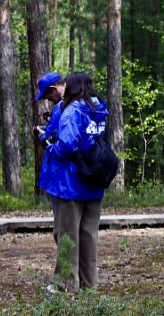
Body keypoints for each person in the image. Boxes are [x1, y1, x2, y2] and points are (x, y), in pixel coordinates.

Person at [42, 72, 109, 293]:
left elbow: (67, 145)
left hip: (71, 183)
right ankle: (89, 284)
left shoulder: (72, 111)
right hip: (94, 180)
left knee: (67, 235)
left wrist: (51, 146)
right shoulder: (98, 110)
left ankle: (65, 285)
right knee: (88, 235)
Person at [35, 71, 66, 245]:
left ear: (54, 88)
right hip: (62, 178)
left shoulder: (61, 108)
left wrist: (41, 136)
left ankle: (65, 270)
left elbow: (51, 138)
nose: (48, 99)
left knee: (61, 230)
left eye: (48, 95)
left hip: (58, 177)